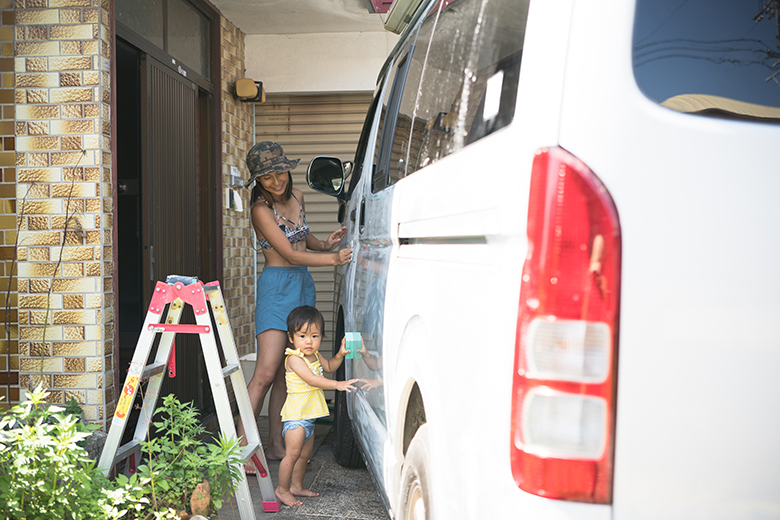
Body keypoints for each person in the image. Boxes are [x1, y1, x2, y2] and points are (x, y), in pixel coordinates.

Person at [237, 141, 353, 469]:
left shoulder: (299, 196)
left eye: (279, 173)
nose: (276, 182)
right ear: (258, 182)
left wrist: (325, 244)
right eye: (267, 178)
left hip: (302, 284)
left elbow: (302, 239)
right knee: (266, 371)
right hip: (277, 286)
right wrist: (333, 259)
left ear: (288, 170)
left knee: (287, 375)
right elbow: (287, 253)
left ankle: (276, 446)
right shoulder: (260, 209)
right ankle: (239, 450)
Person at [276, 305, 359, 507]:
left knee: (304, 455)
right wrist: (338, 385)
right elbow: (312, 380)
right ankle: (282, 489)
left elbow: (329, 367)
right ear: (291, 337)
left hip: (309, 416)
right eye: (303, 335)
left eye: (315, 336)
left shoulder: (315, 355)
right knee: (292, 455)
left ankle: (296, 486)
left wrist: (340, 353)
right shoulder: (294, 358)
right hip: (296, 416)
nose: (309, 341)